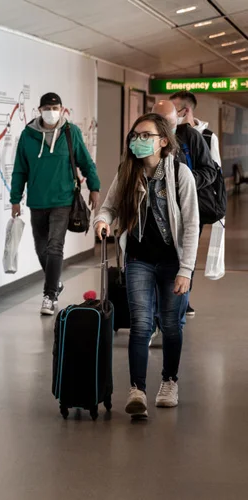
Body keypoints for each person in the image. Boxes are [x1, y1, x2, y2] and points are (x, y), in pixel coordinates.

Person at [94, 113, 199, 419]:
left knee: (170, 325)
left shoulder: (181, 175)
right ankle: (137, 389)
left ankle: (169, 381)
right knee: (140, 324)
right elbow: (110, 206)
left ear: (163, 141)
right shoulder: (127, 172)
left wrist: (186, 270)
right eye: (135, 135)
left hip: (172, 261)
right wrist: (103, 220)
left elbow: (191, 225)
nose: (137, 141)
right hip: (139, 259)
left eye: (145, 135)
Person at [10, 92, 101, 316]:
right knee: (41, 247)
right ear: (39, 110)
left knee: (54, 246)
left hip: (63, 200)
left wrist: (95, 188)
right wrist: (15, 199)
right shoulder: (27, 136)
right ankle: (56, 282)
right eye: (47, 108)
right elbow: (19, 170)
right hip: (37, 201)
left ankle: (49, 295)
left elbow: (86, 163)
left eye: (56, 108)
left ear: (62, 109)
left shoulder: (71, 132)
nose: (52, 112)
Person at [151, 100, 218, 323]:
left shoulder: (191, 138)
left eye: (167, 122)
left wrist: (184, 181)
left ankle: (179, 302)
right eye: (157, 121)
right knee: (155, 260)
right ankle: (156, 313)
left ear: (177, 119)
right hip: (155, 212)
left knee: (183, 256)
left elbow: (209, 171)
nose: (162, 127)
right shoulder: (144, 137)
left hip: (187, 209)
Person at [170, 91, 222, 168]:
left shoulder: (208, 137)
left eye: (174, 111)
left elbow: (215, 171)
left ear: (186, 111)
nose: (171, 115)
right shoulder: (170, 134)